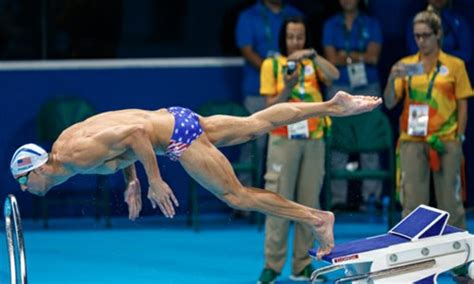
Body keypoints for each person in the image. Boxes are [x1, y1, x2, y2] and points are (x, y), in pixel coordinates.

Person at [10, 92, 381, 258]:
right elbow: (120, 143)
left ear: (36, 169)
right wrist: (133, 180)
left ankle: (316, 218)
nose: (26, 189)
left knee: (235, 196)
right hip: (175, 117)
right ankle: (333, 106)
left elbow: (135, 135)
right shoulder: (64, 143)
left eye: (24, 181)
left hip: (175, 137)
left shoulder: (72, 156)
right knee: (254, 125)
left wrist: (154, 180)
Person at [257, 16, 339, 283]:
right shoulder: (272, 64)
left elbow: (334, 75)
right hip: (283, 139)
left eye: (300, 37)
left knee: (309, 205)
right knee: (277, 202)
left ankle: (303, 264)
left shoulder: (312, 63)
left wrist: (312, 56)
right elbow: (268, 105)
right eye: (291, 37)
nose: (295, 42)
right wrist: (288, 87)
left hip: (314, 138)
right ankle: (272, 265)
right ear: (283, 38)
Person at [384, 6, 472, 228]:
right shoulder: (407, 66)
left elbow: (463, 104)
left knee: (451, 205)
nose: (421, 41)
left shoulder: (455, 65)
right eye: (417, 36)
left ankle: (459, 259)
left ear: (438, 34)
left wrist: (459, 137)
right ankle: (413, 259)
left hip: (445, 139)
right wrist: (391, 77)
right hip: (412, 139)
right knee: (412, 206)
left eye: (426, 35)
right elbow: (390, 101)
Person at [322, 0, 383, 210]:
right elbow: (330, 58)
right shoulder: (330, 25)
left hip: (368, 85)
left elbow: (374, 57)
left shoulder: (371, 23)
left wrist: (344, 56)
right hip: (339, 87)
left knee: (370, 139)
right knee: (339, 141)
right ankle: (337, 198)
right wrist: (359, 56)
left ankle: (371, 197)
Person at [235, 0, 302, 191]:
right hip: (257, 92)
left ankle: (284, 195)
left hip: (292, 91)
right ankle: (245, 196)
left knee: (288, 145)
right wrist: (273, 71)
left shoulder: (294, 14)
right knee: (253, 145)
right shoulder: (248, 16)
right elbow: (247, 50)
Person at [405, 0, 471, 64]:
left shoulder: (458, 21)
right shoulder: (414, 22)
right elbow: (415, 52)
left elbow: (466, 55)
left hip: (453, 69)